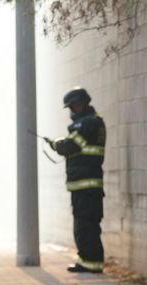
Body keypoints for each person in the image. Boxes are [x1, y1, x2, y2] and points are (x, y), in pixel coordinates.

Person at [45, 87, 106, 273]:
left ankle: (89, 263)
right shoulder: (92, 123)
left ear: (81, 104)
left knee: (85, 226)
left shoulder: (87, 123)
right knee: (87, 226)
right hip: (87, 186)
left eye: (72, 106)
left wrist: (55, 144)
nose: (71, 111)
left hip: (85, 186)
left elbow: (70, 145)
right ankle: (88, 261)